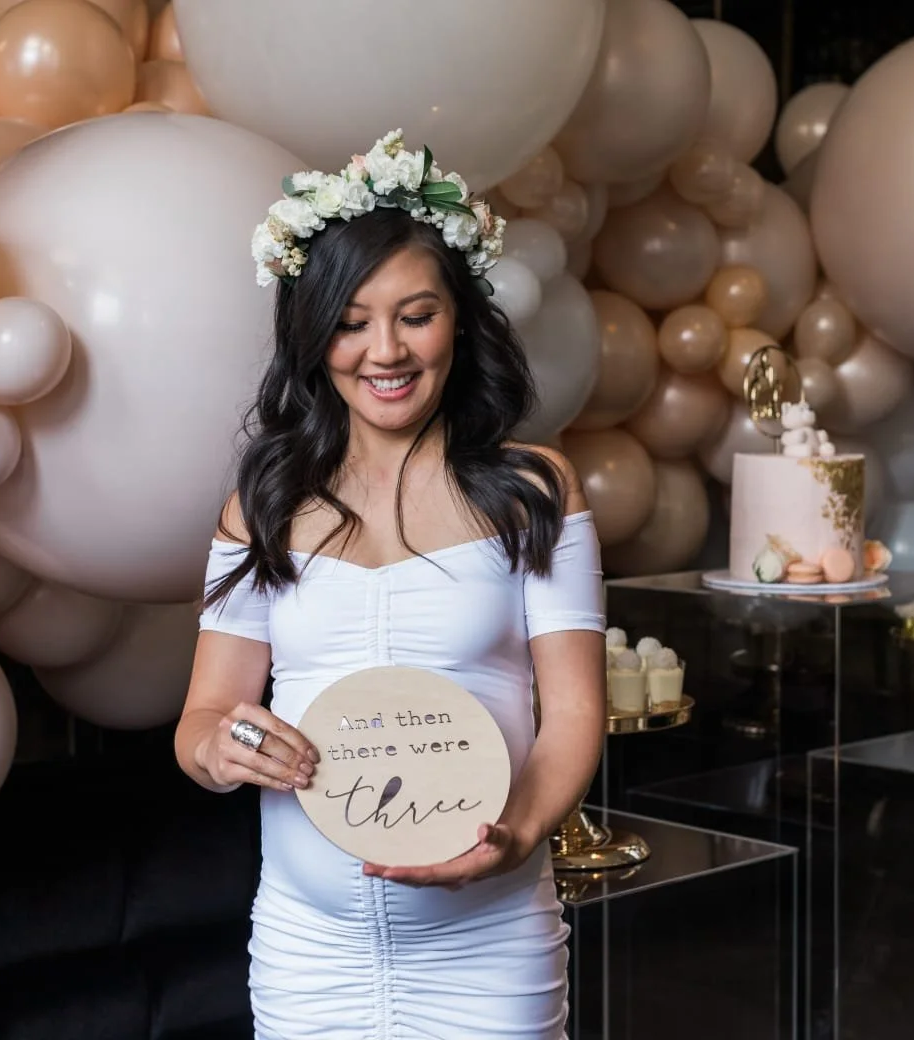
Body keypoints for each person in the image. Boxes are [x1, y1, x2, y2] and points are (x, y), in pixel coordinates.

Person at [175, 130, 606, 1039]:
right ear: (313, 334)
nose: (386, 351)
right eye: (351, 321)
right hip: (309, 951)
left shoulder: (534, 491)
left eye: (417, 315)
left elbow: (573, 712)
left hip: (487, 946)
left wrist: (520, 834)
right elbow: (204, 718)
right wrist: (225, 748)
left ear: (462, 320)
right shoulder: (263, 505)